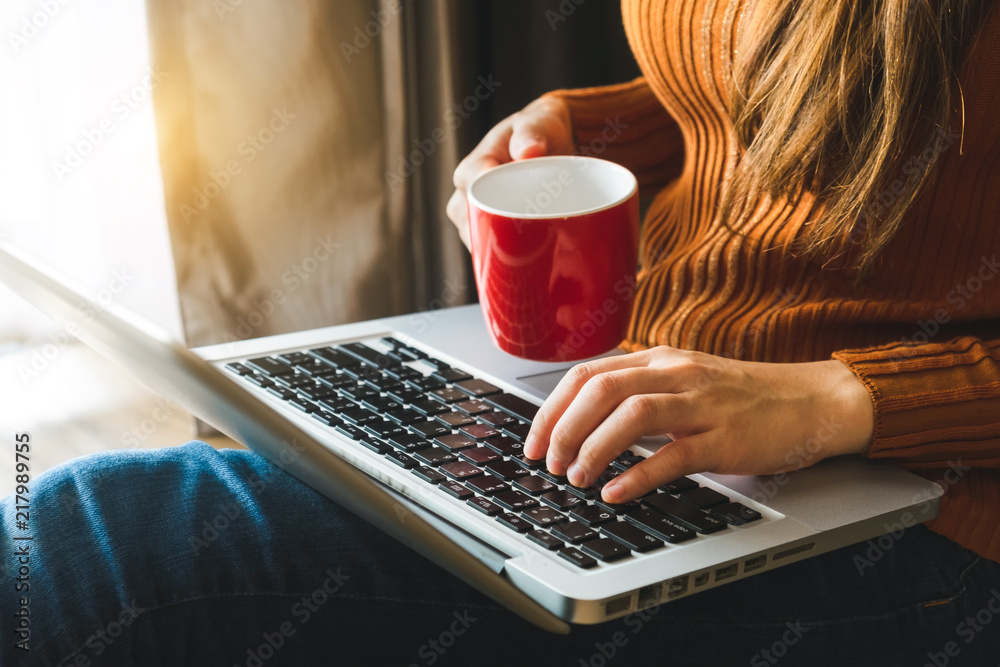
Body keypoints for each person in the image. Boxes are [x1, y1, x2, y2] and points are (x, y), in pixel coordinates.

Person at [3, 0, 1000, 664]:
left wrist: (829, 400)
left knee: (95, 544)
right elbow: (784, 87)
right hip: (644, 406)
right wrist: (572, 131)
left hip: (923, 526)